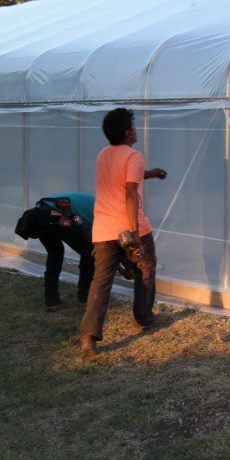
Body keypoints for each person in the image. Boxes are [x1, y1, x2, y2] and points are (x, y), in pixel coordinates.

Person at [79, 107, 169, 357]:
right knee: (145, 268)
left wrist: (149, 174)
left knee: (102, 280)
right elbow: (129, 192)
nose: (136, 129)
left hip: (103, 229)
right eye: (133, 125)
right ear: (128, 132)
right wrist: (135, 232)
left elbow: (122, 179)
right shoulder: (133, 155)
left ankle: (89, 337)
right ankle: (143, 318)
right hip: (129, 226)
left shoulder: (103, 155)